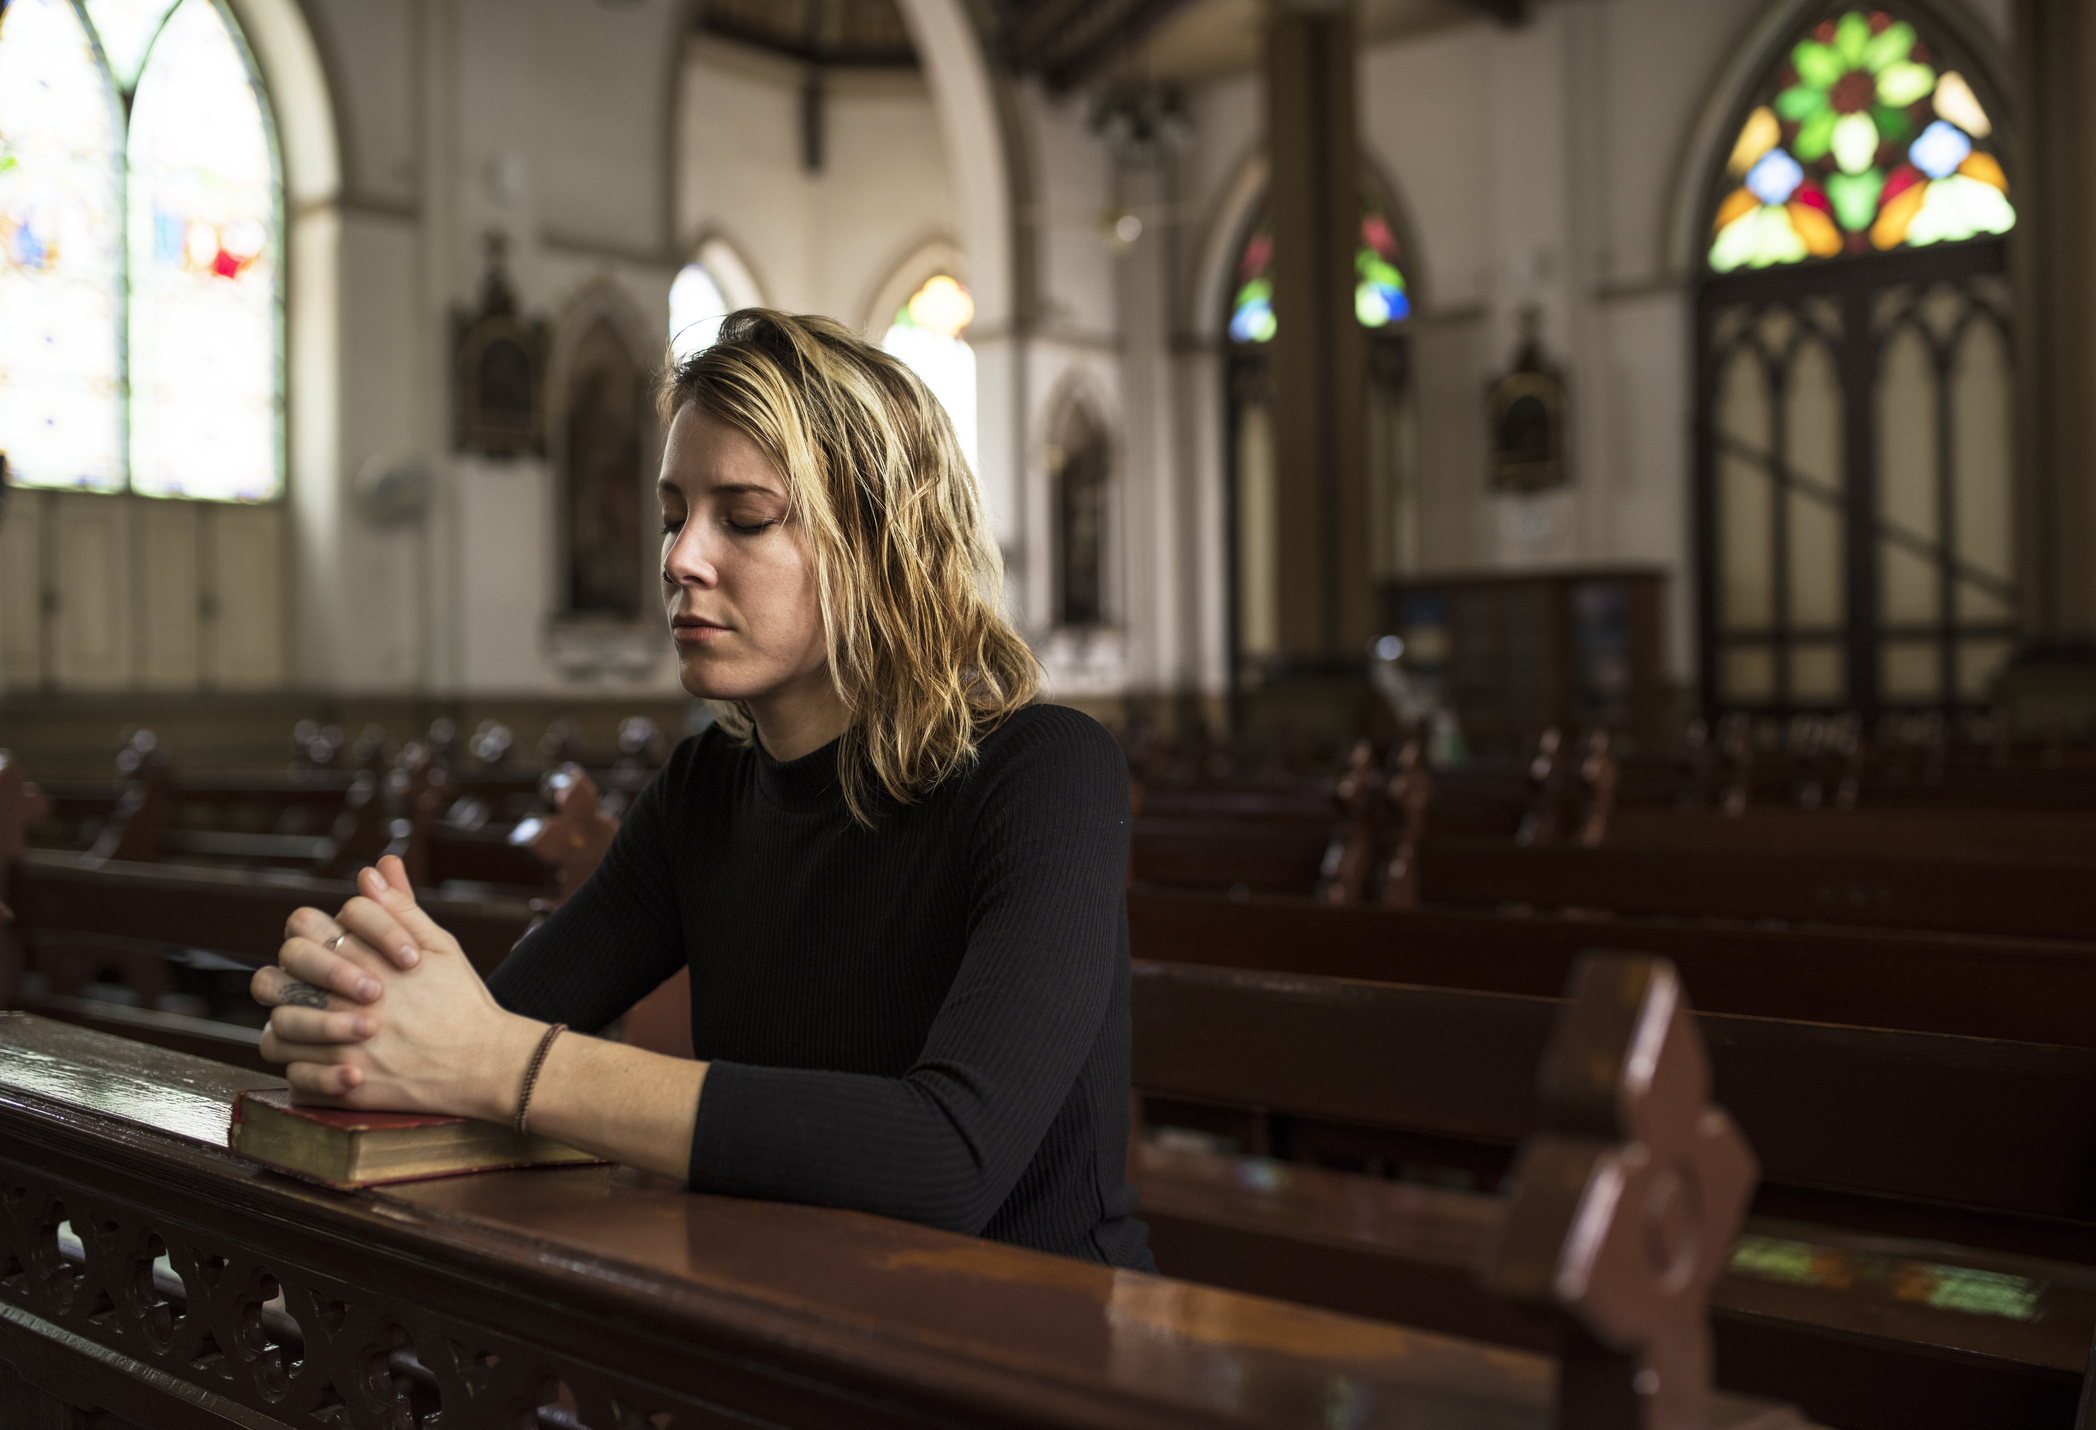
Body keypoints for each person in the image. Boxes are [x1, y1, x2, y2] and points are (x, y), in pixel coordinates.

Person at [251, 310, 1152, 1270]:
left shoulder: (1046, 771)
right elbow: (482, 1032)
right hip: (790, 1316)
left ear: (882, 544)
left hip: (1034, 1344)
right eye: (675, 513)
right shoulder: (705, 791)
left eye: (746, 517)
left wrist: (499, 1062)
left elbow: (947, 1159)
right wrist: (361, 1003)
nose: (681, 557)